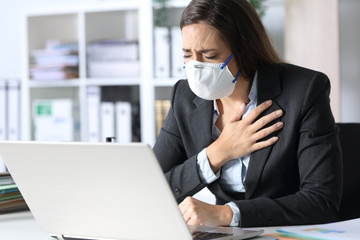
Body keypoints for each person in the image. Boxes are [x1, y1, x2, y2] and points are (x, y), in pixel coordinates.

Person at [153, 0, 343, 228]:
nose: (196, 66)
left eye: (210, 56)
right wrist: (217, 153)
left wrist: (228, 214)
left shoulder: (305, 90)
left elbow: (322, 200)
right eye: (187, 54)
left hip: (285, 231)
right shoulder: (183, 97)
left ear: (244, 51)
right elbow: (153, 187)